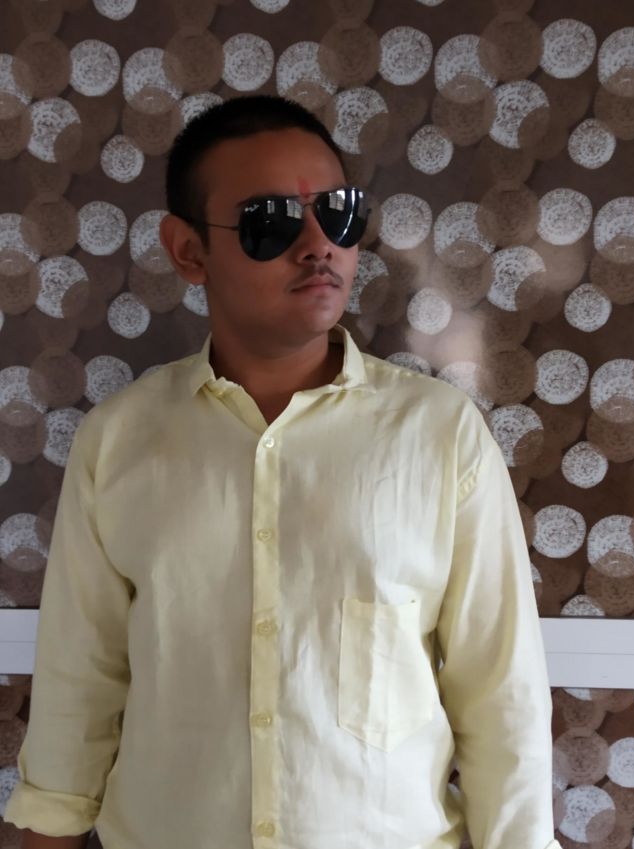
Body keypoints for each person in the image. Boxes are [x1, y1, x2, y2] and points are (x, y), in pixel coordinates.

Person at [5, 95, 560, 849]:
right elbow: (80, 676)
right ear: (188, 250)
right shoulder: (120, 441)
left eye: (337, 214)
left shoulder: (439, 435)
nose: (318, 245)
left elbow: (500, 693)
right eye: (269, 220)